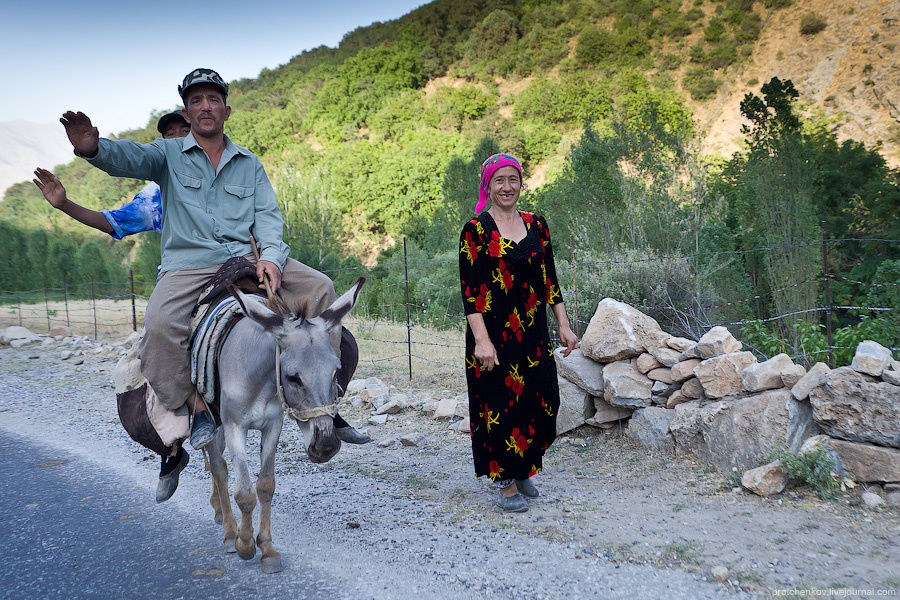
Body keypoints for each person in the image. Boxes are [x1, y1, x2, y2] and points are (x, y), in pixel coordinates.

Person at [57, 68, 369, 456]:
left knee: (321, 286)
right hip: (189, 265)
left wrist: (271, 257)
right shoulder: (167, 154)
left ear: (226, 110)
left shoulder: (249, 163)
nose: (205, 106)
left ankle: (324, 401)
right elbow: (129, 157)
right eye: (196, 101)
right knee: (157, 326)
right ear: (187, 114)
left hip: (247, 256)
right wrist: (92, 148)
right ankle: (196, 408)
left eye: (213, 99)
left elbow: (268, 217)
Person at [458, 153, 578, 512]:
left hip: (533, 334)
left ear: (521, 183)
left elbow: (550, 280)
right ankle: (506, 481)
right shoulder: (476, 230)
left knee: (541, 401)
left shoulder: (538, 225)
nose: (507, 187)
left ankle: (524, 466)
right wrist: (481, 340)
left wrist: (564, 325)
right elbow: (470, 291)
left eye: (513, 179)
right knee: (500, 406)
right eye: (499, 180)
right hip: (493, 336)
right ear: (488, 186)